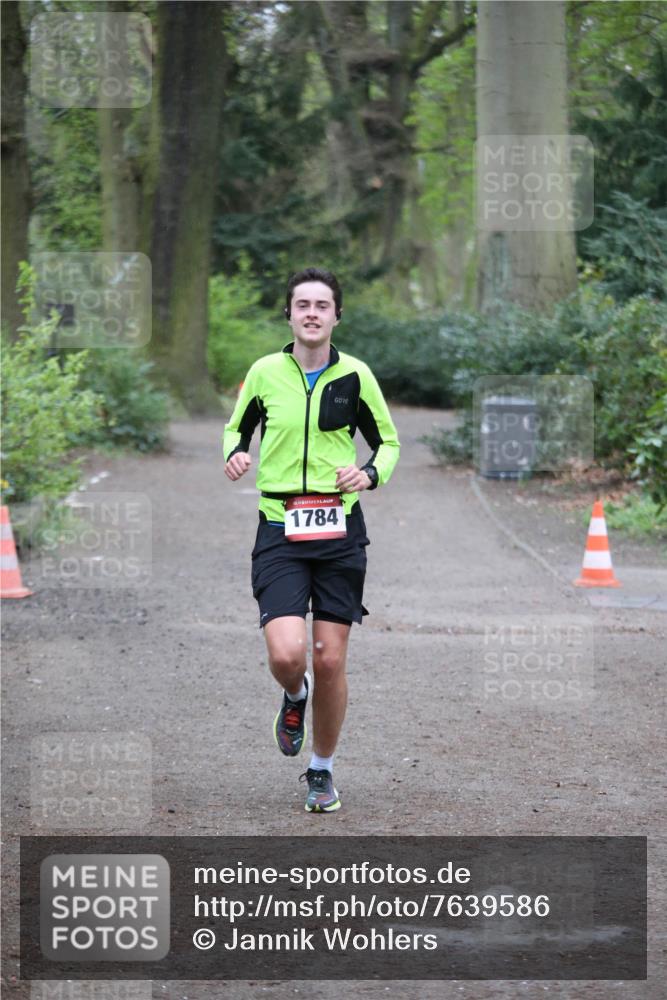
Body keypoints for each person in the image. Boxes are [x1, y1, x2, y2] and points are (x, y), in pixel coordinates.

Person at [223, 267, 400, 813]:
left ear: (336, 316)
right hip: (278, 527)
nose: (312, 313)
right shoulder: (263, 373)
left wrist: (369, 475)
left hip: (338, 529)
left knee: (328, 658)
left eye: (322, 305)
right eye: (303, 304)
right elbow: (236, 428)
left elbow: (388, 443)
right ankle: (293, 697)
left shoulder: (356, 376)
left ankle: (321, 770)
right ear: (289, 314)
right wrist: (234, 453)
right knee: (287, 654)